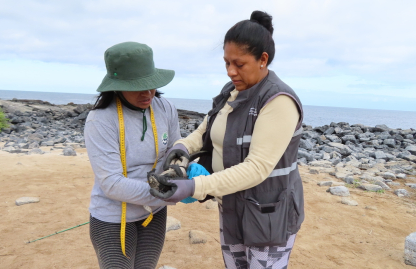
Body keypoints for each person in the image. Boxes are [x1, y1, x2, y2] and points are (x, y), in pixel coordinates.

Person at [150, 11, 305, 268]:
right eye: (226, 63)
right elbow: (205, 130)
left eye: (239, 64)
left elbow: (257, 169)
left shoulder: (279, 101)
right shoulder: (232, 92)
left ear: (263, 59)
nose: (231, 71)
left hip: (269, 216)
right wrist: (182, 147)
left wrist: (195, 187)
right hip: (232, 206)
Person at [84, 41, 181, 268]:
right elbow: (111, 184)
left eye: (151, 84)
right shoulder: (100, 120)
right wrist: (168, 192)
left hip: (154, 214)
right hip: (112, 218)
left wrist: (183, 171)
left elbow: (175, 150)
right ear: (116, 86)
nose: (147, 93)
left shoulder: (165, 108)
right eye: (137, 86)